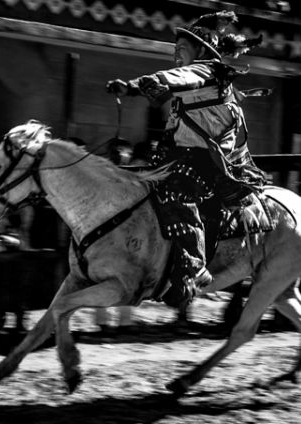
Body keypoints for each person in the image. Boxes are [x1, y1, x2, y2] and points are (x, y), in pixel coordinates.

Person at [106, 10, 267, 306]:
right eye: (175, 50)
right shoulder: (190, 86)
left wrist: (131, 86)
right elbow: (171, 85)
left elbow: (173, 77)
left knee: (175, 189)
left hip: (212, 164)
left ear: (201, 52)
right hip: (184, 158)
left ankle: (194, 267)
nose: (176, 56)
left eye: (181, 50)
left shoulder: (207, 72)